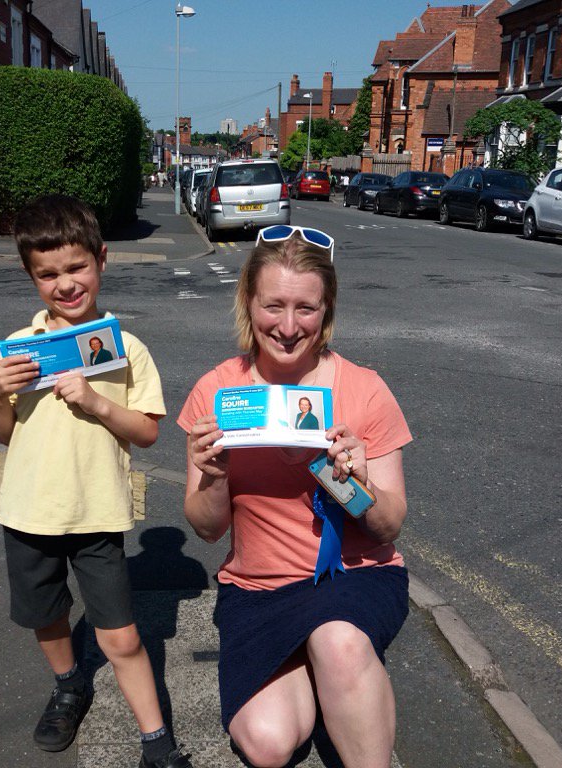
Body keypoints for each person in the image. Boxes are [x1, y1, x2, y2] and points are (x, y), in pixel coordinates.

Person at [179, 224, 411, 768]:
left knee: (339, 641)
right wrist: (214, 475)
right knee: (267, 744)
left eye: (305, 308)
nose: (287, 327)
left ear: (326, 310)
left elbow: (389, 526)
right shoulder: (217, 390)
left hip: (352, 578)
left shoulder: (365, 389)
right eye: (273, 306)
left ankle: (338, 660)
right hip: (259, 586)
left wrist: (352, 481)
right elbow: (207, 529)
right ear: (248, 302)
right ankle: (326, 667)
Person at [0, 195, 193, 768]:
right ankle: (69, 684)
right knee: (46, 616)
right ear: (31, 276)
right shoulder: (17, 352)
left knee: (121, 636)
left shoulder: (126, 350)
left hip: (97, 511)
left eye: (76, 267)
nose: (65, 284)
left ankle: (156, 741)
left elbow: (147, 432)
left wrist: (96, 402)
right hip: (28, 509)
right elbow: (3, 432)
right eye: (47, 274)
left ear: (101, 259)